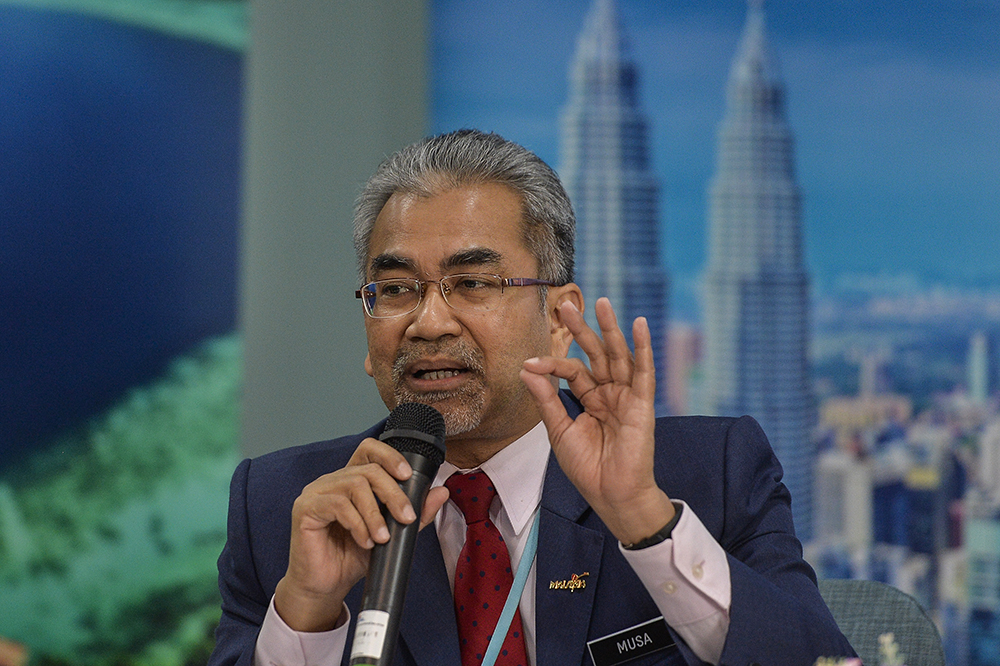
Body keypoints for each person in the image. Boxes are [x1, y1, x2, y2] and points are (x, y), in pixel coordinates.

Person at [209, 129, 854, 666]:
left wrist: (645, 523)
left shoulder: (705, 474)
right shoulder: (280, 510)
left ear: (559, 317)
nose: (429, 323)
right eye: (398, 290)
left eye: (472, 283)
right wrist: (308, 612)